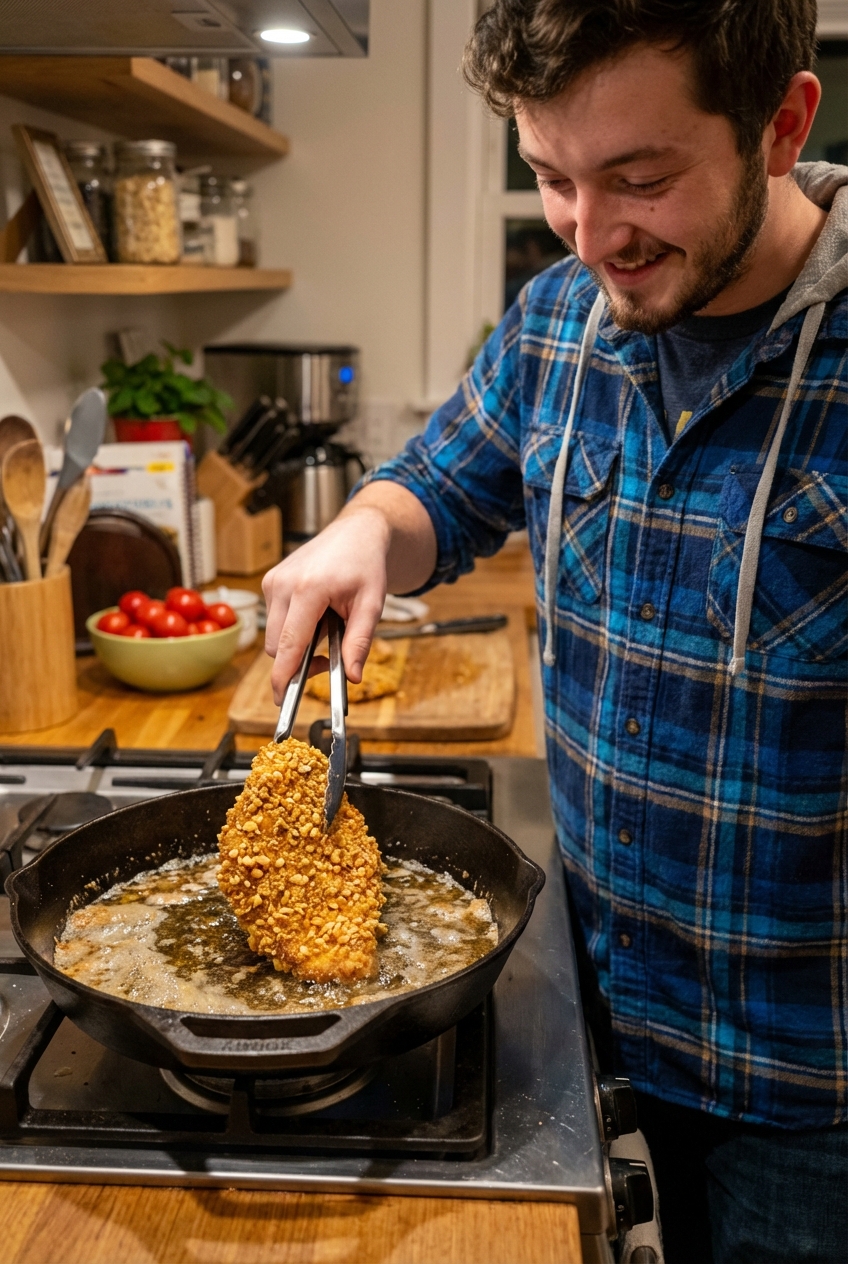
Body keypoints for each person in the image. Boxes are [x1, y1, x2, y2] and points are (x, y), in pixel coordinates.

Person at [261, 3, 847, 1260]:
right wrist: (365, 528)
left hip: (811, 1087)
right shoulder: (556, 321)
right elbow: (438, 488)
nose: (589, 233)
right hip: (584, 1014)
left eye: (638, 180)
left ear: (780, 126)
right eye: (548, 178)